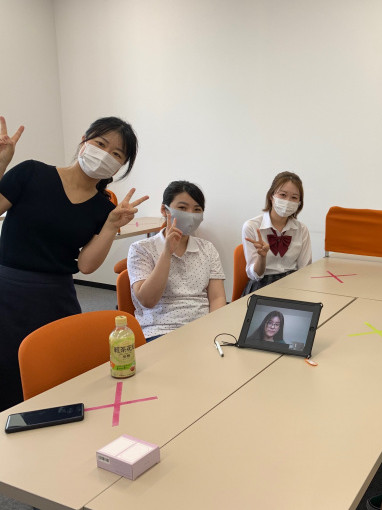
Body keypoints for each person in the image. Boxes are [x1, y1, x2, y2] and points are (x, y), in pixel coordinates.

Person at [0, 115, 147, 411]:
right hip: (8, 290)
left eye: (116, 154)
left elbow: (87, 265)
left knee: (59, 374)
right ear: (84, 141)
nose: (105, 155)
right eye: (100, 144)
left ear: (120, 166)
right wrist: (1, 163)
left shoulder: (103, 207)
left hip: (56, 296)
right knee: (7, 372)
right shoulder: (31, 172)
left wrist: (110, 225)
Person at [127, 181, 227, 341]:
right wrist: (167, 253)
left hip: (203, 327)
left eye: (197, 210)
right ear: (164, 210)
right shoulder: (141, 249)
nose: (190, 214)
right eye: (182, 208)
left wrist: (215, 331)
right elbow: (148, 300)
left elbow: (217, 298)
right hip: (159, 330)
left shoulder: (207, 248)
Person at [241, 171, 312, 295]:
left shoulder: (302, 229)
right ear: (271, 196)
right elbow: (255, 275)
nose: (288, 201)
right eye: (283, 195)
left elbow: (304, 270)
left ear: (299, 202)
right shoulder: (252, 226)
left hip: (293, 285)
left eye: (294, 197)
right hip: (261, 286)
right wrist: (262, 257)